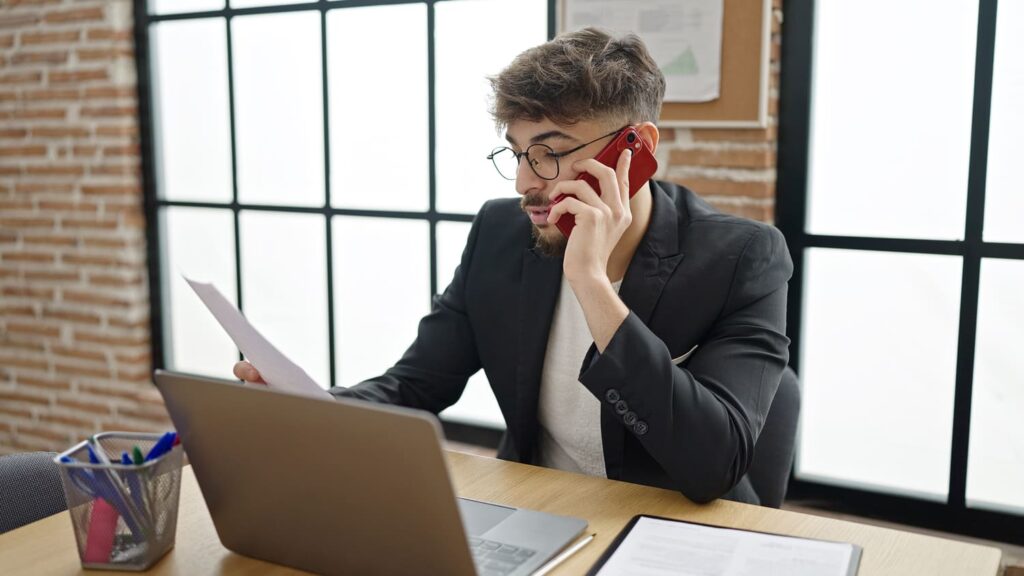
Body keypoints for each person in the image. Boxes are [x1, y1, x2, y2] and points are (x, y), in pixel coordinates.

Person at [234, 27, 792, 505]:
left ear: (636, 147)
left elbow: (714, 466)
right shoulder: (500, 234)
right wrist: (310, 406)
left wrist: (592, 285)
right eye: (519, 153)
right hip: (538, 509)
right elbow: (414, 386)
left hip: (674, 530)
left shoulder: (744, 259)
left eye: (551, 151)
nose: (527, 183)